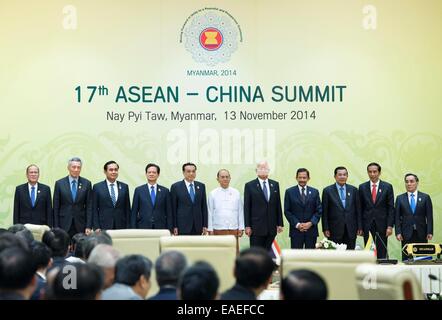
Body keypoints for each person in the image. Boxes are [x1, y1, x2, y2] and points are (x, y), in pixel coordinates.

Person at [244, 161, 283, 250]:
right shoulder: (250, 185)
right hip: (256, 228)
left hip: (271, 227)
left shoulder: (275, 184)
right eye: (261, 168)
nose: (263, 170)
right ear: (256, 171)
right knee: (256, 253)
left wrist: (280, 223)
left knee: (267, 253)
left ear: (269, 170)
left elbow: (278, 204)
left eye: (265, 168)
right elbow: (247, 207)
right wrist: (247, 226)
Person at [359, 163, 395, 259]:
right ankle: (369, 272)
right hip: (367, 224)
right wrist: (360, 227)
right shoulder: (362, 187)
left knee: (382, 251)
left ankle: (382, 270)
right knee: (368, 251)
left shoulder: (387, 187)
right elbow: (360, 208)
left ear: (379, 173)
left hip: (382, 224)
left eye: (375, 171)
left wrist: (390, 226)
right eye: (370, 172)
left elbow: (391, 208)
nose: (372, 174)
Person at [322, 166, 362, 250]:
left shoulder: (354, 190)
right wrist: (325, 228)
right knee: (335, 256)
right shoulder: (327, 191)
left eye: (344, 174)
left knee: (350, 254)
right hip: (334, 229)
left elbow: (358, 210)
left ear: (347, 176)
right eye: (340, 175)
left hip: (351, 229)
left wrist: (360, 227)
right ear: (335, 176)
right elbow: (324, 212)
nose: (342, 177)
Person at [395, 173, 433, 261]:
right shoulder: (400, 198)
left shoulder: (425, 197)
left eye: (411, 181)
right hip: (406, 234)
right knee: (407, 259)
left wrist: (430, 231)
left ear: (417, 183)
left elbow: (429, 216)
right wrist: (398, 232)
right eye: (407, 182)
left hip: (422, 233)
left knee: (423, 259)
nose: (409, 184)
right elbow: (396, 217)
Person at [53, 157, 93, 237]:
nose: (76, 170)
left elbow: (89, 207)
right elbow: (56, 207)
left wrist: (88, 226)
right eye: (73, 167)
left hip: (81, 224)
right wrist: (56, 227)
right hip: (63, 223)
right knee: (63, 248)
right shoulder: (59, 183)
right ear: (68, 168)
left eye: (78, 167)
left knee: (80, 248)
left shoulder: (87, 183)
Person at [207, 169, 244, 254]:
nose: (225, 179)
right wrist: (210, 229)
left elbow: (240, 211)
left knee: (234, 253)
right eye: (222, 177)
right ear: (218, 179)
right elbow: (210, 212)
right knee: (219, 253)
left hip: (233, 228)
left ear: (230, 178)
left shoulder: (236, 193)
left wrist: (241, 228)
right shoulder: (213, 193)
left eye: (227, 177)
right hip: (218, 229)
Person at [284, 168, 322, 249]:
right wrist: (298, 224)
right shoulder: (289, 192)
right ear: (296, 178)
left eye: (304, 177)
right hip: (296, 231)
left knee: (311, 257)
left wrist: (310, 223)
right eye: (300, 177)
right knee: (296, 257)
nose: (302, 180)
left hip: (311, 231)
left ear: (308, 178)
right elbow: (287, 211)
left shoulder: (315, 192)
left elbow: (319, 210)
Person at [131, 163, 172, 230]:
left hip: (161, 227)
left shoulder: (165, 191)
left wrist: (170, 229)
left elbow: (169, 213)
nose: (151, 174)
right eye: (149, 172)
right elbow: (134, 212)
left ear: (158, 174)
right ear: (146, 174)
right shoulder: (139, 190)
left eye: (154, 172)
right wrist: (133, 228)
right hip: (143, 226)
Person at [170, 163, 208, 235]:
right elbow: (173, 209)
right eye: (188, 171)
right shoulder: (175, 187)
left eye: (193, 171)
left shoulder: (201, 186)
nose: (191, 173)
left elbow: (204, 207)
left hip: (198, 226)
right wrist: (174, 226)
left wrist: (205, 225)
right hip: (182, 226)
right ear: (183, 173)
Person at [93, 161, 131, 231]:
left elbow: (127, 209)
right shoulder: (97, 187)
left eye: (116, 170)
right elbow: (94, 209)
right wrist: (96, 226)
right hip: (103, 226)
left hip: (121, 226)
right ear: (105, 171)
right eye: (111, 170)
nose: (114, 172)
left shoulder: (124, 186)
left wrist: (128, 226)